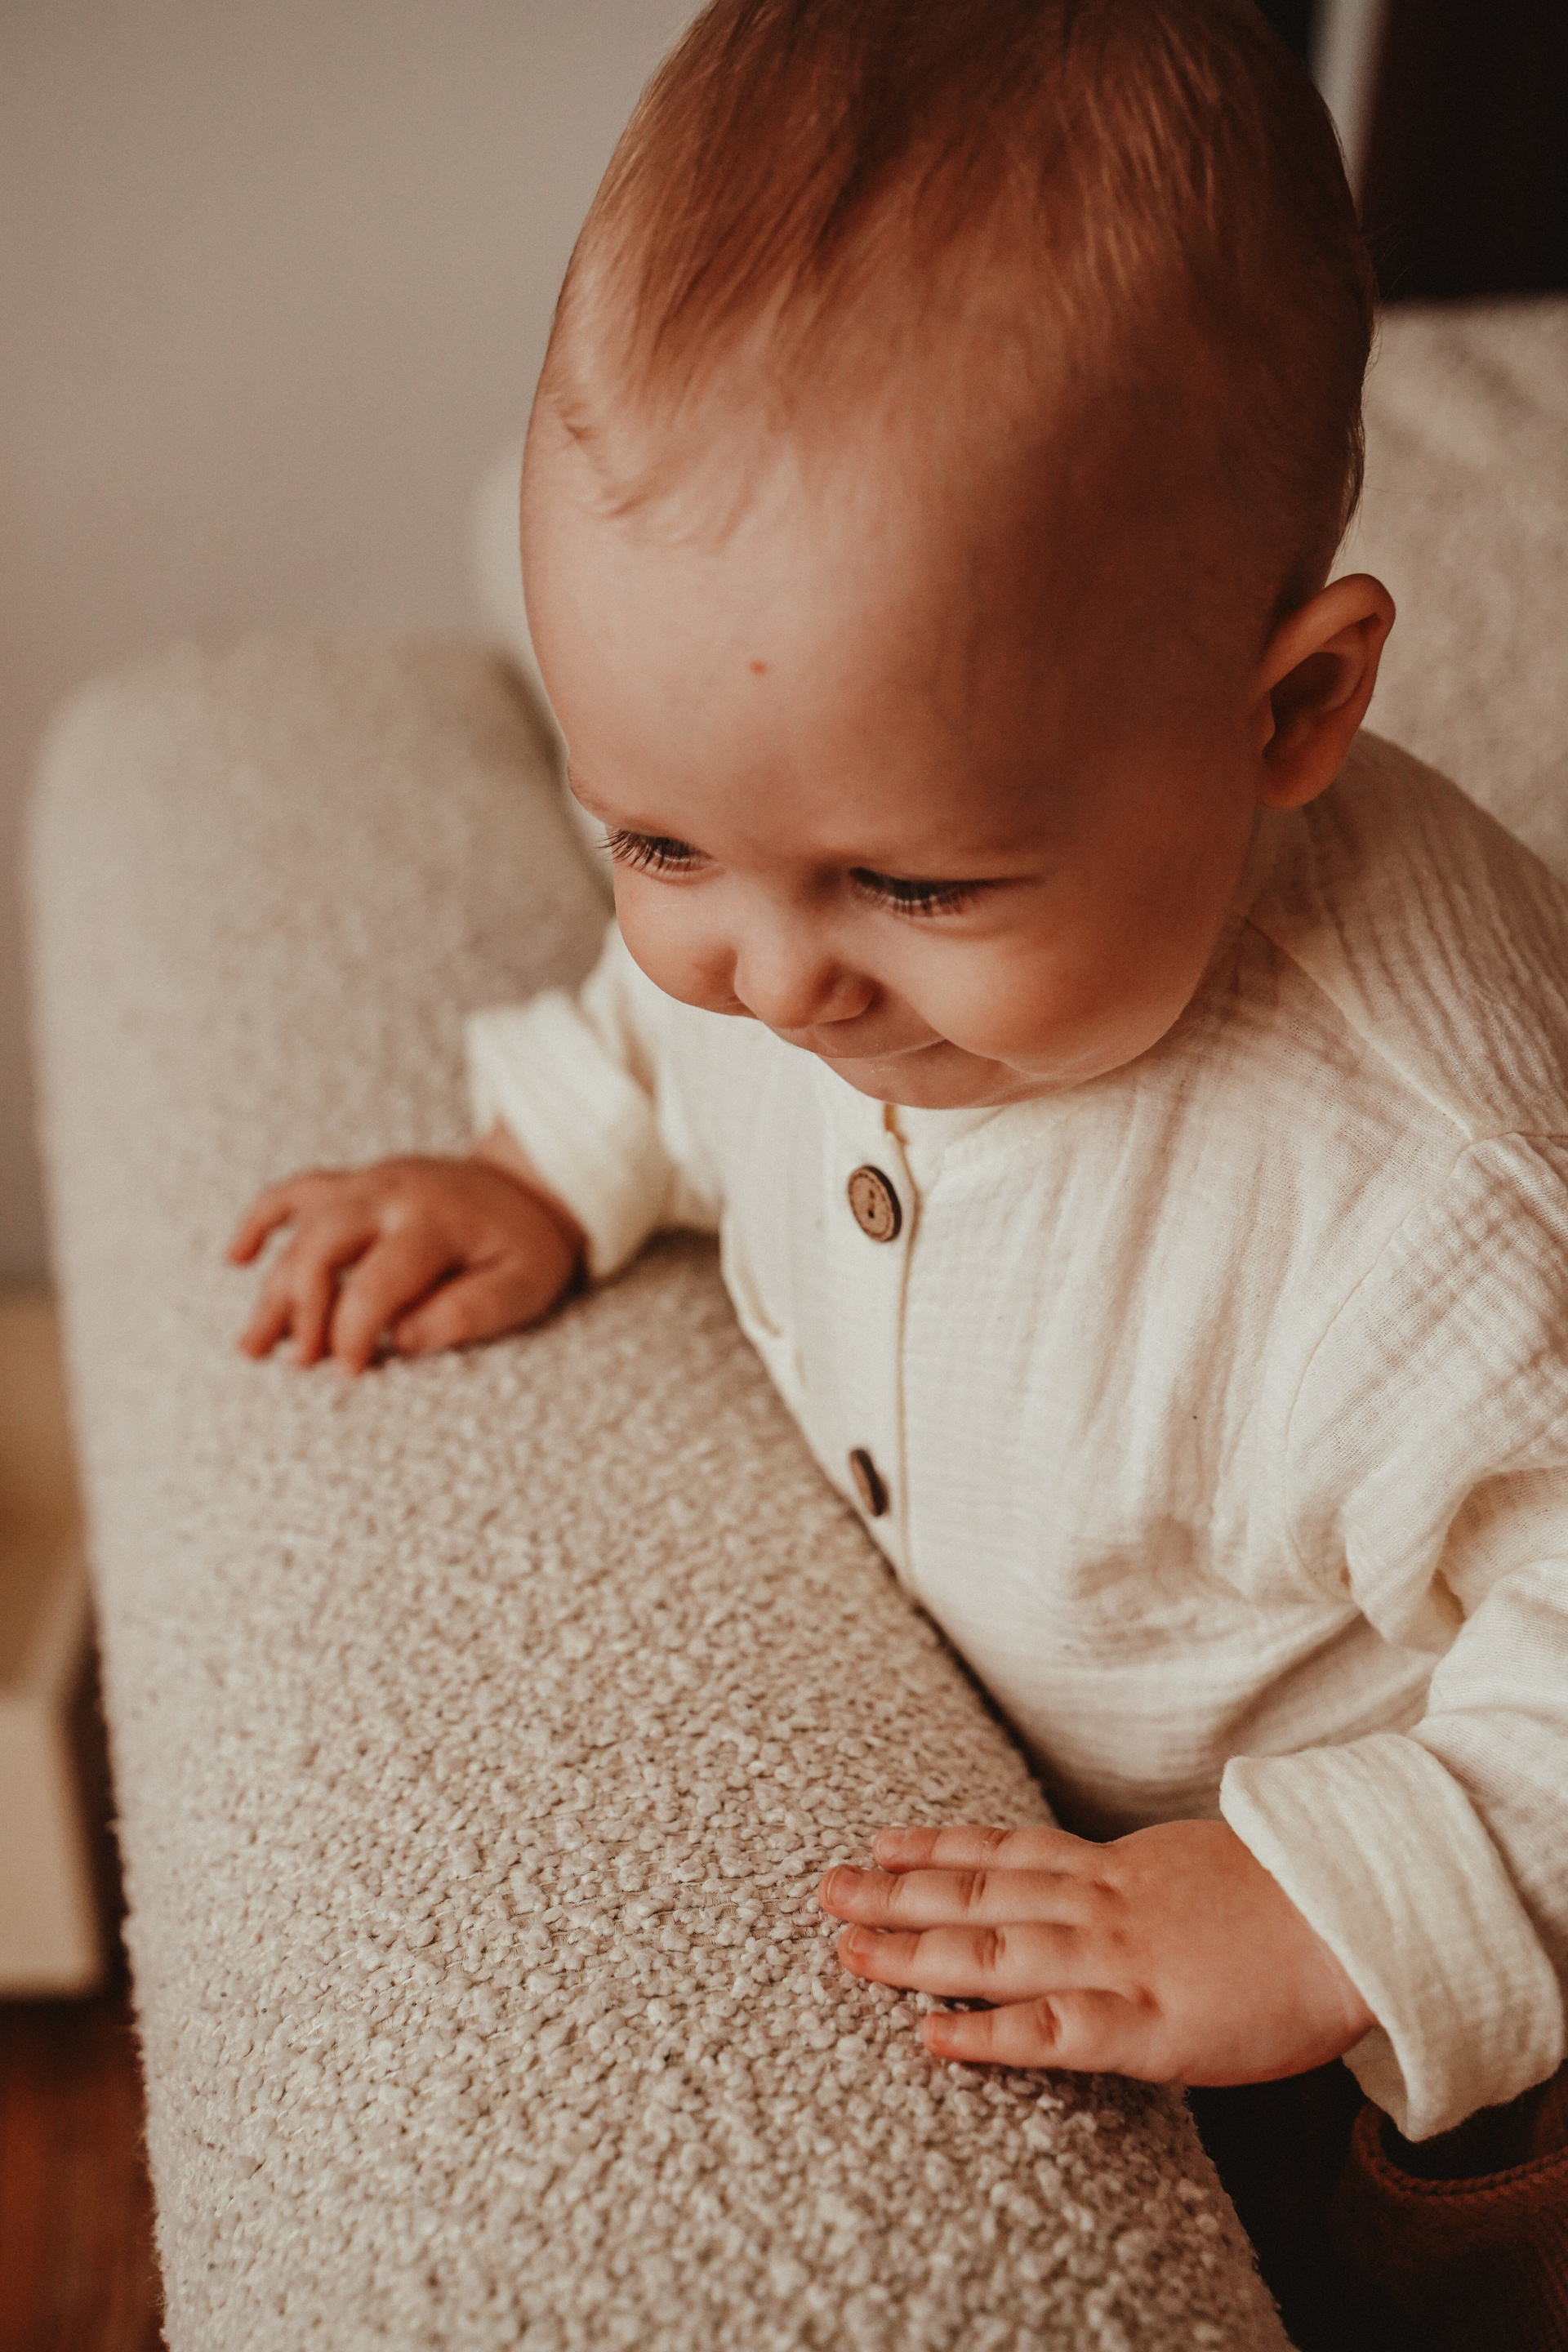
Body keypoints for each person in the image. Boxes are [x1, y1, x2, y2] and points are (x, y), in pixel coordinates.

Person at [229, 3, 1568, 2341]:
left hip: (1451, 1981)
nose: (766, 978)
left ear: (1289, 710)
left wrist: (1331, 1908)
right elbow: (676, 1020)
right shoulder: (807, 897)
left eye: (914, 885)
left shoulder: (1428, 1201)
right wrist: (546, 1158)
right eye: (654, 840)